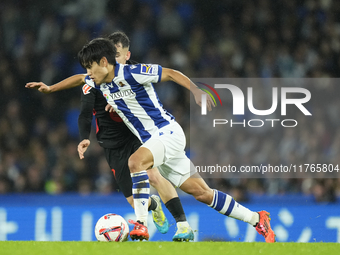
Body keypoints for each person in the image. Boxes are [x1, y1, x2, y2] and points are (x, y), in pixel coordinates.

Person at [27, 37, 275, 243]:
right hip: (157, 142)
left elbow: (170, 73)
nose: (88, 73)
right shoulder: (97, 80)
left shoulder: (132, 73)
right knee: (202, 193)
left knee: (136, 162)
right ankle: (258, 219)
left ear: (104, 62)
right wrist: (50, 88)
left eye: (90, 67)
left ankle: (141, 224)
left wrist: (197, 91)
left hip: (167, 131)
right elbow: (79, 79)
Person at [27, 32, 194, 242]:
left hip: (135, 135)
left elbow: (162, 78)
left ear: (125, 54)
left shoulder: (128, 74)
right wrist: (83, 136)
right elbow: (85, 109)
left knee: (153, 175)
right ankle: (152, 205)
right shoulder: (92, 81)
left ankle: (181, 224)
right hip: (112, 144)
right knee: (135, 200)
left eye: (119, 54)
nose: (117, 59)